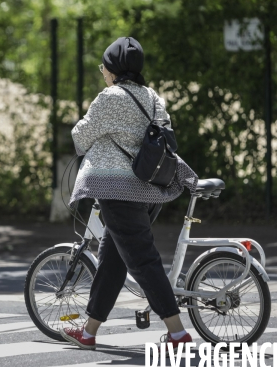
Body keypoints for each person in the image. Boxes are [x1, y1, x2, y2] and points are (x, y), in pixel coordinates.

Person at [62, 37, 199, 350]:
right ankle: (90, 331)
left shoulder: (110, 97)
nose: (102, 73)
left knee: (142, 260)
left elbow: (81, 137)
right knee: (112, 259)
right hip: (149, 191)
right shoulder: (151, 97)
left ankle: (177, 333)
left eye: (103, 68)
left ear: (113, 70)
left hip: (117, 189)